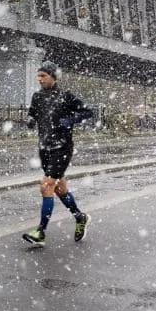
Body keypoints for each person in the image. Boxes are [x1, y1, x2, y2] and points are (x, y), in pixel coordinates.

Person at [22, 61, 94, 247]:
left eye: (43, 76)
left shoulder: (66, 96)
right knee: (59, 188)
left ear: (53, 76)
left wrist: (71, 120)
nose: (40, 79)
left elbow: (88, 112)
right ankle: (80, 217)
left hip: (62, 148)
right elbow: (33, 113)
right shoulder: (37, 96)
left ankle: (41, 232)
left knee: (46, 185)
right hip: (44, 147)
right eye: (38, 76)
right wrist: (30, 120)